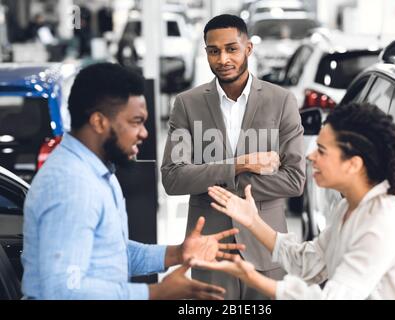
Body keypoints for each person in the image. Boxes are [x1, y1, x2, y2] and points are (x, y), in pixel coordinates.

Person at [21, 63, 245, 300]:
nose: (144, 133)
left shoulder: (98, 172)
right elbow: (62, 291)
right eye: (135, 122)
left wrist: (177, 253)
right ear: (99, 122)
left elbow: (113, 254)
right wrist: (156, 293)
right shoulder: (72, 184)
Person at [191, 102, 395, 300]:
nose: (310, 156)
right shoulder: (348, 207)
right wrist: (253, 221)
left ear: (353, 164)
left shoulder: (380, 224)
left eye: (321, 151)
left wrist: (254, 279)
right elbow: (309, 261)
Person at [161, 14, 305, 299]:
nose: (223, 59)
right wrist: (240, 165)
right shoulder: (187, 105)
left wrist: (214, 182)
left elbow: (294, 180)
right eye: (214, 51)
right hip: (210, 250)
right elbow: (173, 177)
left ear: (248, 49)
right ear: (206, 53)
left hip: (268, 248)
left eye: (231, 49)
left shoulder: (281, 101)